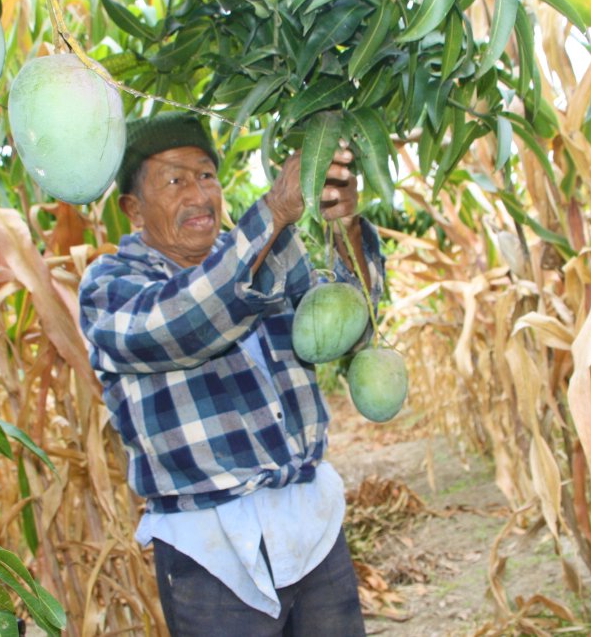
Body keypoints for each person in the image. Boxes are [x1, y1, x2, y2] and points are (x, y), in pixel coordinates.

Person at [78, 111, 385, 635]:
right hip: (210, 550)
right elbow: (183, 324)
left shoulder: (264, 252)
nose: (198, 195)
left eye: (206, 176)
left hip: (310, 525)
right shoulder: (110, 288)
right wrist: (272, 213)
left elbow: (351, 323)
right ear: (133, 208)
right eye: (174, 180)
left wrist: (345, 227)